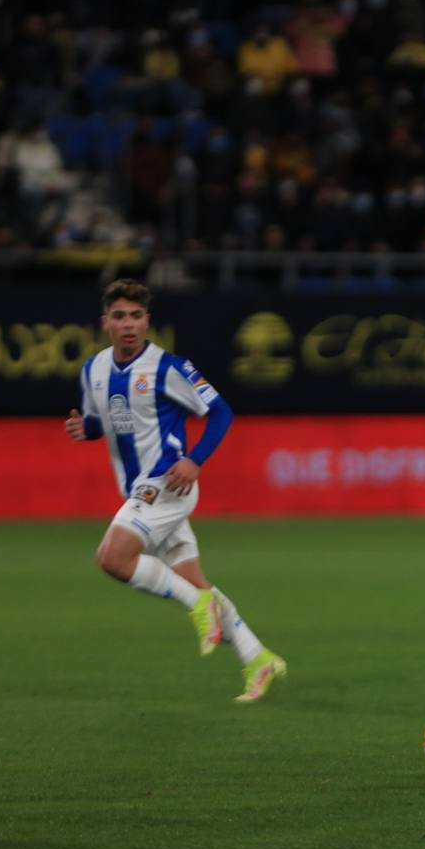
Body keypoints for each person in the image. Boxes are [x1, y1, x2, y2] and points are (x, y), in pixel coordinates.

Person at [65, 279, 285, 702]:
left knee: (113, 557)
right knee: (195, 581)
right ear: (105, 322)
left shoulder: (169, 367)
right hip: (139, 490)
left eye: (136, 316)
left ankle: (198, 607)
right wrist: (84, 429)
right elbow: (107, 420)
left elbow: (220, 411)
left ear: (148, 321)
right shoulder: (93, 370)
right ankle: (258, 658)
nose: (128, 325)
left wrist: (195, 459)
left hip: (168, 482)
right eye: (119, 316)